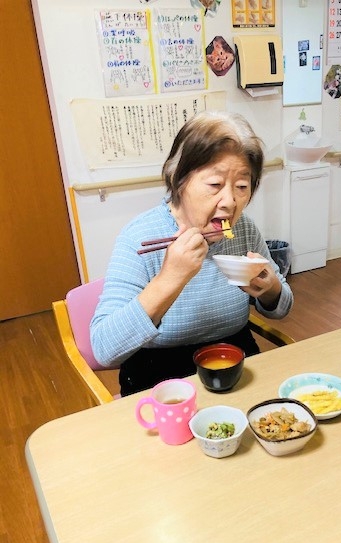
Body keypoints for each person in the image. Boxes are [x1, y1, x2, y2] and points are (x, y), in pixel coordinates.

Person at [91, 111, 293, 396]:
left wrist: (270, 289)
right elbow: (104, 349)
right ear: (179, 179)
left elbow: (283, 307)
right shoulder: (139, 237)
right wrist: (170, 278)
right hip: (158, 375)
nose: (229, 202)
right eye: (215, 185)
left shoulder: (244, 230)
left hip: (234, 360)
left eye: (242, 187)